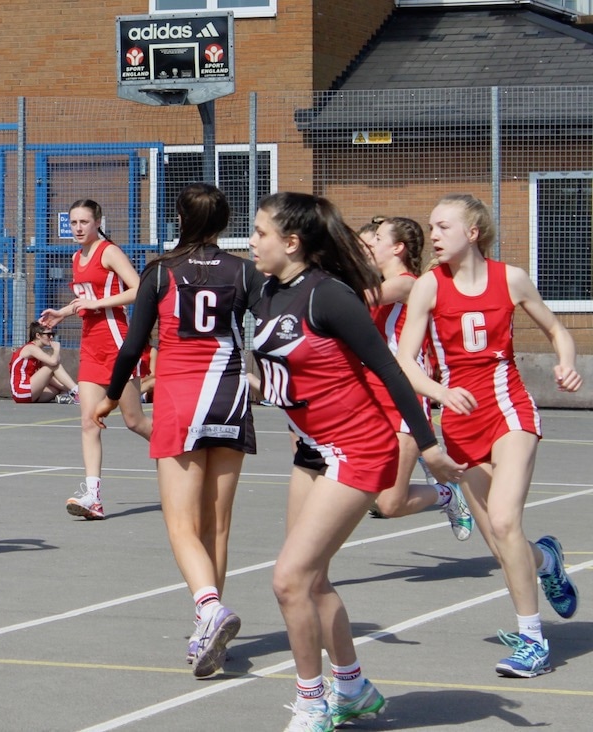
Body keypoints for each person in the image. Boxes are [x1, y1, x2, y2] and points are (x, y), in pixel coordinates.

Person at [249, 192, 464, 731]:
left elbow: (391, 372)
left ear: (291, 242)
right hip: (312, 448)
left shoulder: (329, 296)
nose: (251, 242)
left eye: (260, 232)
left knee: (289, 580)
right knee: (311, 577)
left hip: (358, 448)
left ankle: (312, 703)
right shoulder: (268, 291)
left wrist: (430, 449)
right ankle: (352, 687)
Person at [396, 193, 581, 679]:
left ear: (473, 232)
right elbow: (404, 362)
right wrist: (440, 390)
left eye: (443, 226)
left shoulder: (510, 278)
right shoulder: (429, 287)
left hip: (509, 409)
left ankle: (532, 641)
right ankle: (547, 560)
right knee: (503, 546)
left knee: (503, 520)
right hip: (459, 422)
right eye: (431, 227)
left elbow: (558, 330)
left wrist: (566, 362)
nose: (433, 235)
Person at [94, 183, 261, 678]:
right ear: (225, 224)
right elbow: (275, 328)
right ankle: (208, 627)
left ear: (180, 220)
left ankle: (208, 608)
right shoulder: (244, 272)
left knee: (181, 524)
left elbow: (132, 346)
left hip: (181, 399)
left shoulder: (161, 272)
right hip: (230, 395)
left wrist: (111, 395)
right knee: (217, 526)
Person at [40, 199, 152, 520]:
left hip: (116, 342)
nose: (77, 228)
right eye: (73, 222)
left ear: (98, 222)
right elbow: (85, 299)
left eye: (84, 222)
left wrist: (100, 304)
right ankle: (93, 497)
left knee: (134, 421)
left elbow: (139, 289)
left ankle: (179, 451)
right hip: (91, 345)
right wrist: (62, 312)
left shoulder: (109, 252)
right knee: (89, 421)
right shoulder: (77, 257)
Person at [363, 216, 474, 539]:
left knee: (391, 505)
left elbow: (364, 297)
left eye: (377, 240)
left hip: (403, 397)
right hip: (370, 397)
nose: (371, 246)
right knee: (368, 490)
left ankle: (447, 493)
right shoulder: (378, 282)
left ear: (397, 248)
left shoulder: (407, 284)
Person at [9, 321, 80, 404]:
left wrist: (65, 388)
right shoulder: (30, 348)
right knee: (52, 365)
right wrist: (56, 349)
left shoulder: (38, 353)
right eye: (48, 334)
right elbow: (54, 362)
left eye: (52, 334)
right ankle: (77, 391)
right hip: (21, 391)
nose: (51, 337)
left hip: (27, 394)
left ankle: (68, 395)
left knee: (56, 388)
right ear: (38, 335)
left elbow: (49, 378)